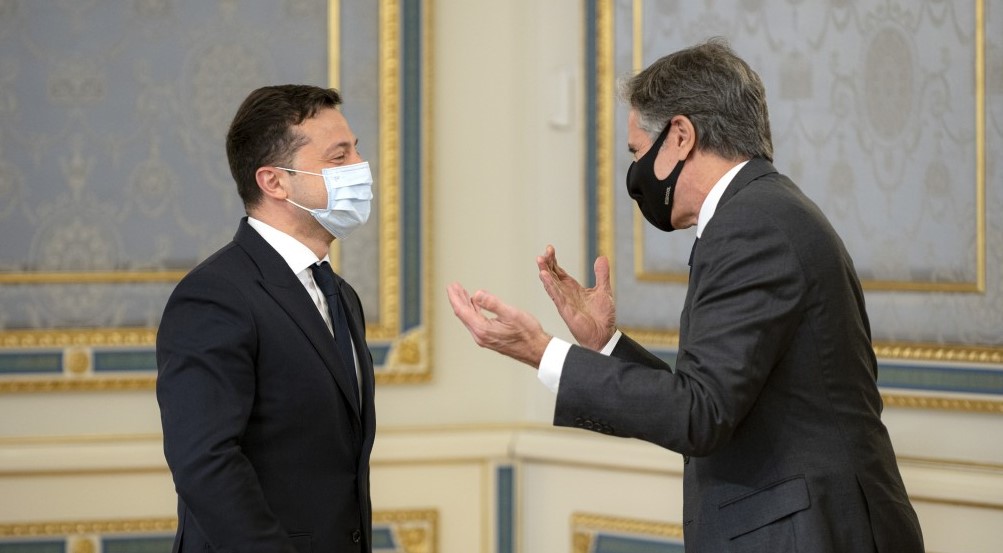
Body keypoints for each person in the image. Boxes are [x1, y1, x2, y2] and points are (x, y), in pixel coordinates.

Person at [448, 39, 924, 552]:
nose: (635, 174)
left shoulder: (751, 226)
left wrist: (541, 352)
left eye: (636, 151)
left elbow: (700, 416)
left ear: (680, 136)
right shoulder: (763, 211)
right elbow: (712, 398)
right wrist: (606, 344)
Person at [157, 85, 376, 552]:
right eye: (339, 157)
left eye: (357, 150)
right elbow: (206, 464)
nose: (360, 166)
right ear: (274, 182)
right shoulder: (215, 296)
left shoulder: (341, 295)